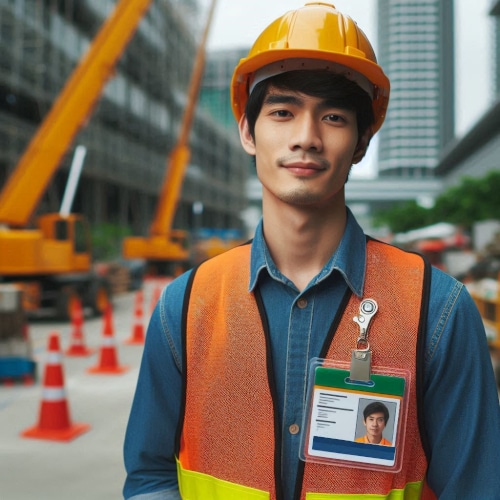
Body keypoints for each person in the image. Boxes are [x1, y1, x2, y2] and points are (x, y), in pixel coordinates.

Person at [123, 3, 500, 499]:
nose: (306, 138)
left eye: (334, 117)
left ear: (362, 141)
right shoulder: (187, 305)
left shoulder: (438, 310)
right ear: (247, 130)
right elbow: (150, 476)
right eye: (282, 112)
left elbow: (477, 488)